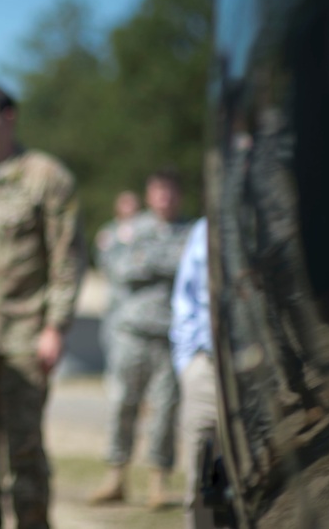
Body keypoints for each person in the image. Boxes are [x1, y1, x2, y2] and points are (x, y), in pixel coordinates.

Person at [0, 85, 85, 529]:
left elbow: (66, 258)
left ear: (10, 117)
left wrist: (56, 327)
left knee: (24, 454)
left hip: (23, 340)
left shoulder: (46, 177)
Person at [89, 168, 191, 509]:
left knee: (165, 411)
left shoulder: (192, 232)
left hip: (171, 335)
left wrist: (147, 261)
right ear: (149, 195)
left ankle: (158, 484)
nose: (165, 197)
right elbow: (119, 268)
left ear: (179, 195)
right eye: (158, 190)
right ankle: (115, 478)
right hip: (131, 332)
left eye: (171, 191)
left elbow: (190, 268)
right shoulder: (129, 230)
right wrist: (166, 263)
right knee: (122, 405)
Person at [170, 217, 219, 529]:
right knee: (202, 475)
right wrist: (187, 363)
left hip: (265, 376)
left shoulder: (283, 217)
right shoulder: (204, 230)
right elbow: (185, 299)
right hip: (207, 369)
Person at [95, 190, 142, 359]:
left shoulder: (145, 231)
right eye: (124, 203)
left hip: (140, 303)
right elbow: (105, 264)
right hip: (117, 302)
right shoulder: (109, 232)